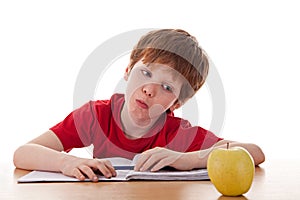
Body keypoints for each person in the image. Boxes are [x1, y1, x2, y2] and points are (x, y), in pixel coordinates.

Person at [13, 29, 265, 182]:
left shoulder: (178, 133)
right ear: (127, 70)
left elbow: (254, 152)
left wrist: (186, 159)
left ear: (176, 102)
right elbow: (23, 153)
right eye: (145, 73)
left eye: (166, 88)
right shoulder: (95, 116)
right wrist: (65, 163)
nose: (149, 90)